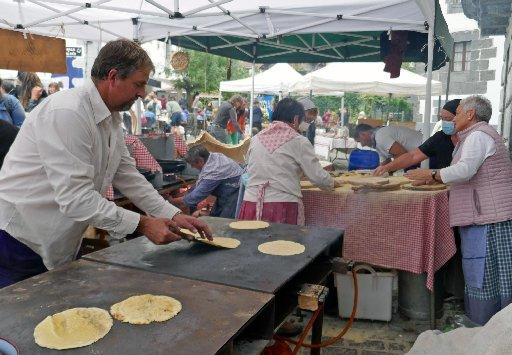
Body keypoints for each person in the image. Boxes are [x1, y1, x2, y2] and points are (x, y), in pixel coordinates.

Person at [0, 39, 211, 288]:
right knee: (18, 321)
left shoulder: (110, 117)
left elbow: (126, 174)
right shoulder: (68, 112)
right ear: (113, 77)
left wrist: (172, 214)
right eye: (139, 84)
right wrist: (143, 224)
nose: (143, 92)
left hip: (56, 239)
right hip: (19, 240)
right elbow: (76, 199)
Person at [405, 95, 512, 325]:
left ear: (470, 114)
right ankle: (487, 325)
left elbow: (465, 170)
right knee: (483, 275)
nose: (454, 118)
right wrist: (435, 180)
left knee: (486, 276)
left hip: (488, 220)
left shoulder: (477, 136)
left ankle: (489, 329)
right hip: (484, 216)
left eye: (459, 112)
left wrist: (432, 174)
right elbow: (464, 173)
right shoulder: (474, 136)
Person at [238, 98, 341, 225]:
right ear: (296, 119)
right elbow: (319, 178)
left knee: (251, 243)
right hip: (281, 205)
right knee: (282, 244)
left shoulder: (255, 139)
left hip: (251, 203)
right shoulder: (299, 141)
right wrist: (333, 183)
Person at [374, 99, 461, 176]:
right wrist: (386, 168)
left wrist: (431, 175)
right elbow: (412, 156)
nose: (444, 123)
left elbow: (463, 169)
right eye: (442, 119)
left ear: (461, 117)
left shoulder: (470, 138)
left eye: (448, 119)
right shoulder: (440, 137)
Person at [171, 146, 243, 218]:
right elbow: (199, 185)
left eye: (193, 165)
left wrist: (170, 201)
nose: (193, 167)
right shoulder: (211, 158)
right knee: (215, 217)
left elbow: (195, 197)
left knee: (224, 222)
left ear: (200, 161)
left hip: (234, 195)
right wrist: (187, 194)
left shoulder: (214, 169)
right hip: (226, 194)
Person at [354, 123, 423, 164]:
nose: (362, 145)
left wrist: (388, 168)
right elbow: (386, 162)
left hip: (426, 153)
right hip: (417, 156)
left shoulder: (380, 135)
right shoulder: (376, 142)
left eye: (360, 141)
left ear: (363, 134)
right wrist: (377, 172)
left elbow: (402, 154)